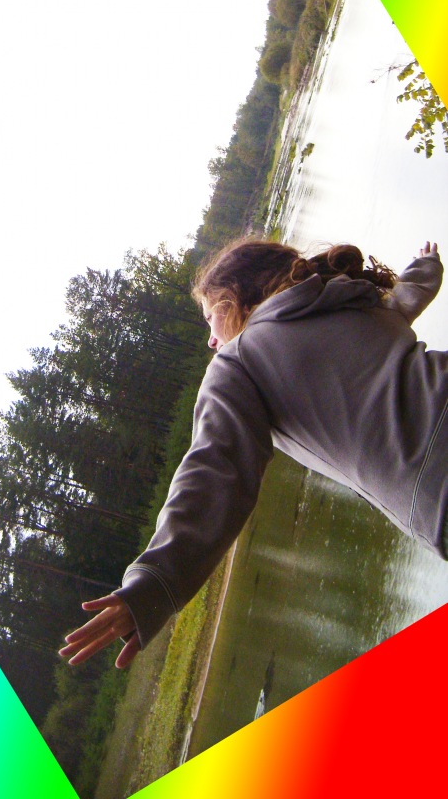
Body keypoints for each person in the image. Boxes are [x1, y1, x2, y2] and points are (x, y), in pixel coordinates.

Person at [59, 238, 446, 670]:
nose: (211, 340)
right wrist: (427, 263)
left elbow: (214, 473)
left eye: (210, 319)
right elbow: (408, 295)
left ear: (233, 300)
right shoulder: (345, 294)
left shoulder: (239, 362)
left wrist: (152, 588)